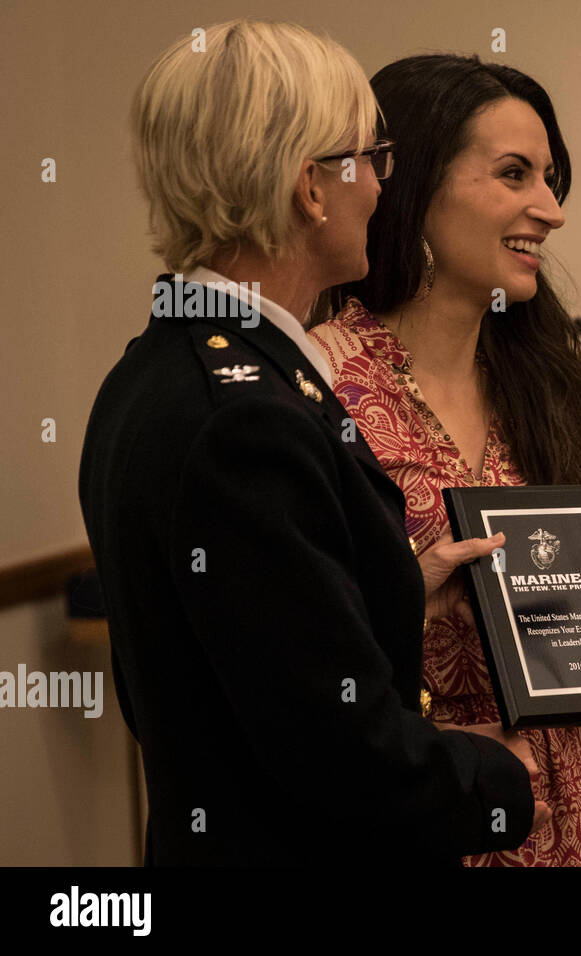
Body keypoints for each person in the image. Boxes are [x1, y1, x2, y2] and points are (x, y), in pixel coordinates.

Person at [78, 20, 544, 866]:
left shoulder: (154, 371)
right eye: (370, 159)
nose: (378, 188)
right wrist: (500, 778)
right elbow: (337, 754)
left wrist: (395, 589)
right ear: (312, 187)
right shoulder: (243, 418)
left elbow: (234, 661)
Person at [308, 54, 581, 866]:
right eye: (513, 174)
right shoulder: (318, 387)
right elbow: (301, 659)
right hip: (415, 815)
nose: (549, 210)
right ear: (411, 189)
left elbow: (570, 625)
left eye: (551, 180)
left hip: (560, 820)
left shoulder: (542, 381)